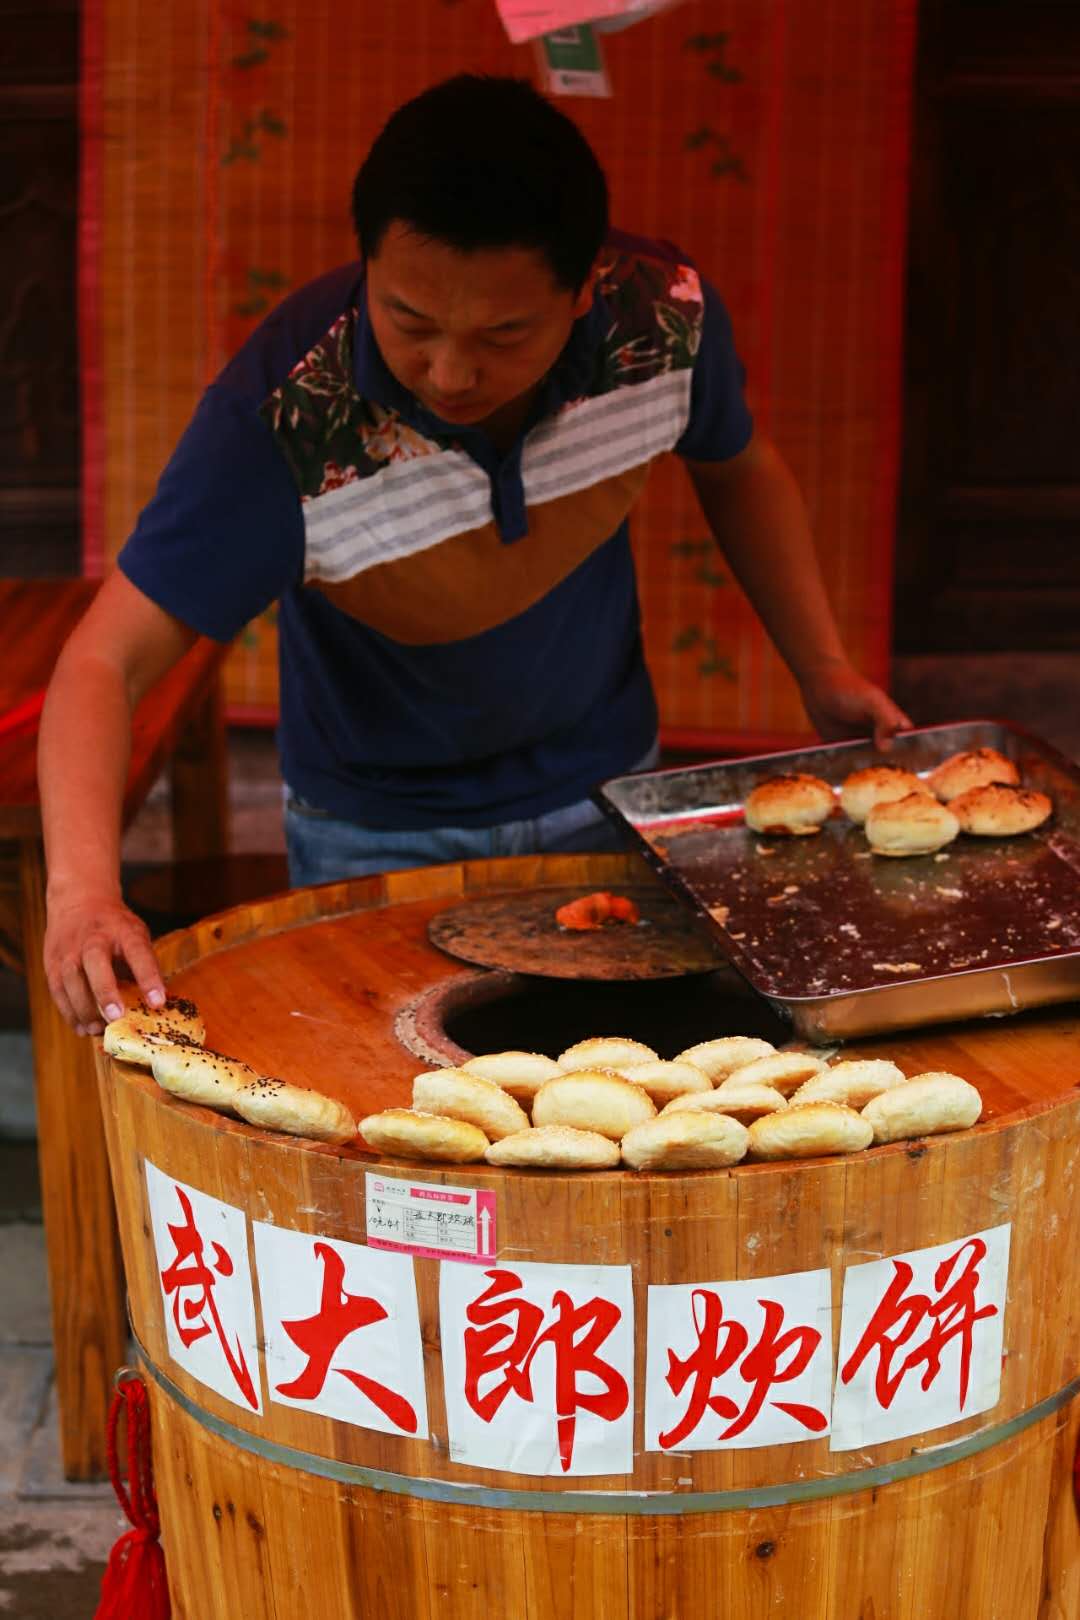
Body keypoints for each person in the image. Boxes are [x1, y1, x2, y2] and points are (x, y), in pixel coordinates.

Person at [39, 73, 910, 1037]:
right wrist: (82, 892)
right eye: (409, 322)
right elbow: (102, 662)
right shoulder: (286, 421)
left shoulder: (661, 323)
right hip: (373, 836)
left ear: (584, 292)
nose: (451, 373)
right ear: (365, 263)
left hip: (607, 797)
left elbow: (739, 466)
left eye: (504, 334)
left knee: (613, 1102)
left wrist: (820, 665)